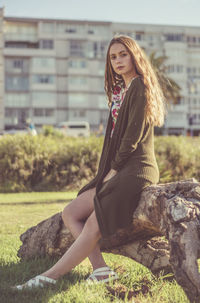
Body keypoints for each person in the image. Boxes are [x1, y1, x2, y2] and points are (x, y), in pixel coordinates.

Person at [13, 35, 166, 290]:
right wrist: (107, 171)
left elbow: (132, 137)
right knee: (70, 212)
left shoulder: (139, 85)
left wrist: (114, 170)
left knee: (96, 220)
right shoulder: (120, 90)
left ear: (134, 55)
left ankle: (48, 277)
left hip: (136, 169)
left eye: (123, 54)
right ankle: (101, 270)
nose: (118, 60)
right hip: (120, 168)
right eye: (113, 57)